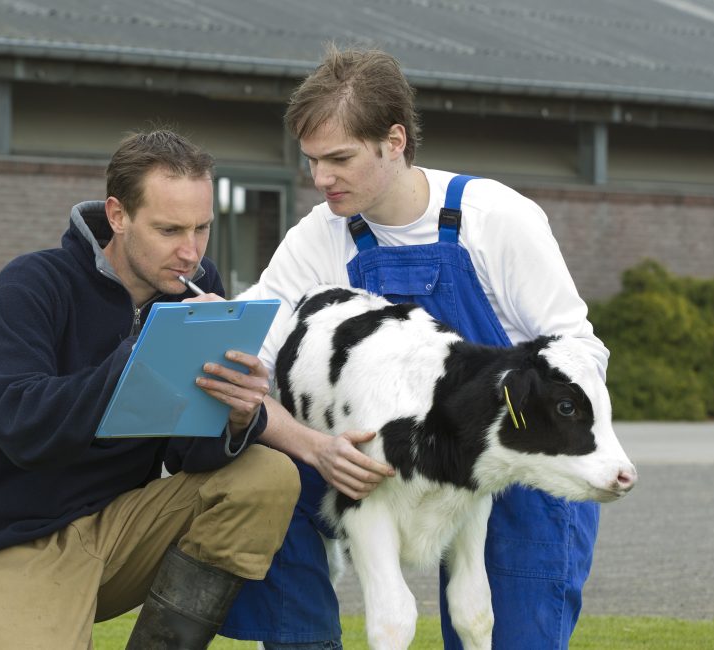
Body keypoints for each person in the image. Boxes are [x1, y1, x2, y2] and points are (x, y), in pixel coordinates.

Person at [219, 46, 609, 649]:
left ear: (394, 141)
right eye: (312, 162)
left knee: (505, 635)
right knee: (266, 480)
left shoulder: (496, 221)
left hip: (510, 479)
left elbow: (581, 350)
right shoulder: (319, 237)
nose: (322, 180)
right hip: (381, 469)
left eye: (340, 159)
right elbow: (254, 347)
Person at [0, 129, 301, 649]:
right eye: (168, 230)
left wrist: (235, 416)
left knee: (266, 473)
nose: (190, 252)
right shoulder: (32, 284)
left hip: (120, 530)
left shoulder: (190, 286)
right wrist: (145, 353)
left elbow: (187, 451)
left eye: (203, 228)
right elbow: (23, 427)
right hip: (6, 544)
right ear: (117, 215)